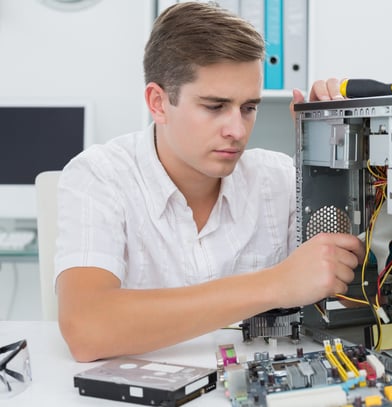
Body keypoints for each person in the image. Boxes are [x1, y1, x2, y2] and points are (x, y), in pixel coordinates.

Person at [55, 1, 364, 362]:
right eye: (215, 107)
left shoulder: (281, 180)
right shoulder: (98, 176)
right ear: (158, 102)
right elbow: (87, 328)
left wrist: (326, 167)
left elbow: (346, 287)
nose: (237, 130)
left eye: (249, 108)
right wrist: (275, 284)